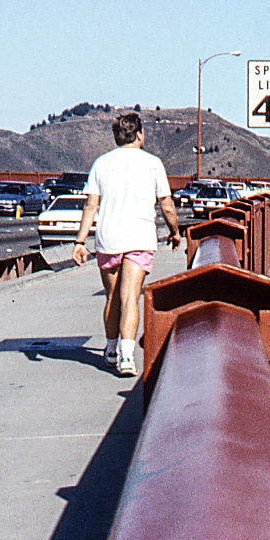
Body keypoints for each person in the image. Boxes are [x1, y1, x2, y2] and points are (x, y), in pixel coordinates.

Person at [72, 112, 182, 377]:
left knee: (112, 297)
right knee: (130, 297)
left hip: (108, 239)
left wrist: (79, 241)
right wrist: (175, 232)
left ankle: (110, 350)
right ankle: (127, 357)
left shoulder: (101, 163)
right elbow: (166, 204)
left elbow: (91, 205)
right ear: (140, 134)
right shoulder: (153, 163)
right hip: (139, 238)